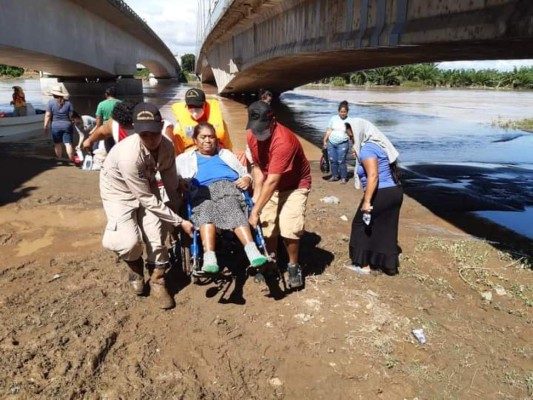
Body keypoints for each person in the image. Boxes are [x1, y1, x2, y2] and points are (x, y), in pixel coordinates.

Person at [99, 102, 194, 309]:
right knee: (129, 241)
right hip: (118, 191)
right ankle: (135, 268)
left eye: (153, 133)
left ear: (161, 126)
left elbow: (170, 183)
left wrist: (176, 218)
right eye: (144, 135)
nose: (150, 139)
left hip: (146, 184)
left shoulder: (167, 146)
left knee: (156, 231)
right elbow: (146, 199)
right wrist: (179, 221)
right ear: (136, 131)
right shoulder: (128, 156)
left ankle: (158, 280)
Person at [176, 122, 268, 274]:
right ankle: (209, 258)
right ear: (195, 140)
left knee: (230, 204)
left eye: (211, 137)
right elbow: (171, 177)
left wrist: (247, 179)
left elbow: (244, 173)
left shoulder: (225, 154)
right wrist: (180, 182)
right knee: (205, 210)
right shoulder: (183, 159)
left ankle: (252, 252)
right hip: (201, 190)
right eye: (203, 137)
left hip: (227, 187)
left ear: (216, 139)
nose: (207, 140)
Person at [245, 101, 311, 289]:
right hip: (269, 184)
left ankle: (293, 265)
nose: (258, 133)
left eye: (262, 129)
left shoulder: (284, 141)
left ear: (273, 121)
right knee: (267, 225)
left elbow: (273, 180)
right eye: (255, 129)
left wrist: (255, 210)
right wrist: (257, 197)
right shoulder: (251, 134)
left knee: (290, 226)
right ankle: (270, 261)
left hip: (294, 185)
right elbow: (257, 168)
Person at [347, 118, 403, 276]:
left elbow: (373, 176)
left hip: (381, 193)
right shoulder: (378, 145)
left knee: (360, 225)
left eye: (352, 137)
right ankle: (390, 266)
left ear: (359, 133)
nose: (351, 140)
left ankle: (364, 266)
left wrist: (367, 201)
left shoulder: (367, 149)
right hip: (395, 191)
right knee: (386, 227)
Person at [169, 88, 233, 154]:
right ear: (186, 106)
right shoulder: (179, 128)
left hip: (216, 154)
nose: (194, 110)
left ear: (205, 105)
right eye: (191, 106)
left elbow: (228, 146)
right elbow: (178, 152)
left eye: (198, 106)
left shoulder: (221, 123)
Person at [323, 100, 353, 184]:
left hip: (343, 143)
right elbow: (329, 130)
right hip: (331, 143)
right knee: (332, 160)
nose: (342, 113)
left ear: (347, 112)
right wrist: (325, 140)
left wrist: (354, 144)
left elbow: (352, 135)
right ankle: (335, 176)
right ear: (338, 111)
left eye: (344, 112)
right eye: (341, 112)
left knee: (341, 161)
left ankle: (343, 177)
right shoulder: (333, 118)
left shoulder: (350, 120)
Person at [43, 85, 75, 161]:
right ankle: (71, 160)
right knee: (68, 144)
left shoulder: (50, 103)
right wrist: (72, 122)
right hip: (67, 125)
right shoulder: (68, 103)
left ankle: (59, 159)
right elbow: (71, 115)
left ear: (53, 94)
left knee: (57, 144)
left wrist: (45, 126)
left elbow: (48, 115)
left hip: (55, 125)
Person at [95, 86, 121, 152]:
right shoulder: (121, 103)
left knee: (108, 148)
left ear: (106, 94)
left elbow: (98, 119)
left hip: (106, 129)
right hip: (119, 128)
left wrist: (98, 129)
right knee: (119, 146)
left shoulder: (101, 104)